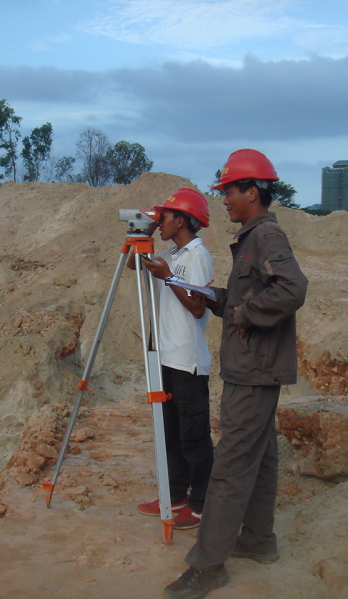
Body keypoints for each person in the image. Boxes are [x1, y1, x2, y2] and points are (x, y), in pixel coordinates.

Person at [164, 150, 308, 599]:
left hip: (254, 371)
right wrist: (214, 297)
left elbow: (292, 288)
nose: (223, 198)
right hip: (257, 369)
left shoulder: (266, 235)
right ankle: (258, 540)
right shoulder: (251, 237)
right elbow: (250, 296)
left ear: (253, 191)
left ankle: (207, 566)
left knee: (229, 467)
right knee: (261, 458)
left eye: (228, 190)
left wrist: (245, 312)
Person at [128, 188, 216, 530]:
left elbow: (198, 306)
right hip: (165, 358)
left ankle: (200, 504)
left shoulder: (196, 255)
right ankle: (176, 493)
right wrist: (143, 230)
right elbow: (136, 264)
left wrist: (169, 276)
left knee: (194, 437)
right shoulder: (170, 253)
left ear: (181, 220)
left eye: (164, 217)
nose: (160, 220)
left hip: (188, 361)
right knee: (172, 435)